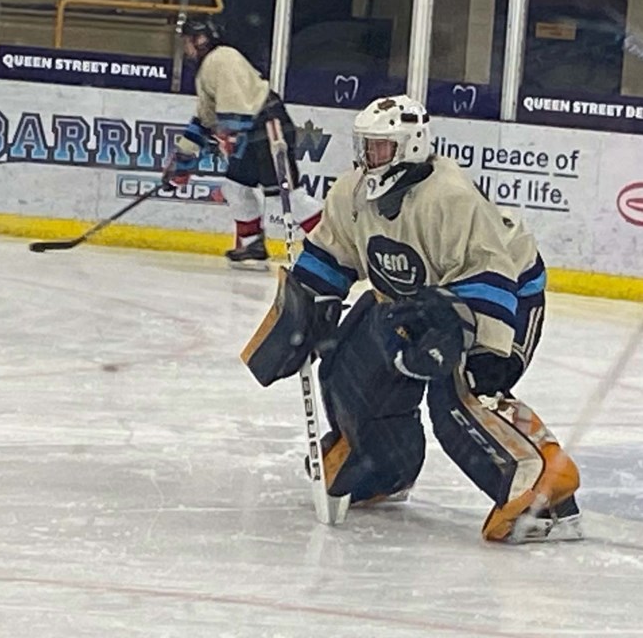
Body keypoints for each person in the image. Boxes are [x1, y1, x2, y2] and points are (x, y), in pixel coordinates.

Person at [242, 95, 582, 543]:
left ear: (412, 147)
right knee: (352, 363)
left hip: (505, 294)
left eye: (380, 148)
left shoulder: (450, 197)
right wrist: (305, 308)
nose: (368, 158)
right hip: (414, 300)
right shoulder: (352, 192)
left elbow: (489, 270)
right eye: (365, 146)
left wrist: (488, 352)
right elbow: (331, 254)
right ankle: (381, 464)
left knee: (462, 387)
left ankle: (545, 487)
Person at [163, 16, 322, 265]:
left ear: (200, 39)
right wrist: (183, 159)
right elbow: (205, 120)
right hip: (254, 131)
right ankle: (252, 243)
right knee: (235, 187)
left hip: (268, 127)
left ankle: (334, 243)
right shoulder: (208, 67)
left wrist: (218, 141)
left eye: (187, 41)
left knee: (287, 196)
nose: (185, 47)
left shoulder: (223, 58)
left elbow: (233, 114)